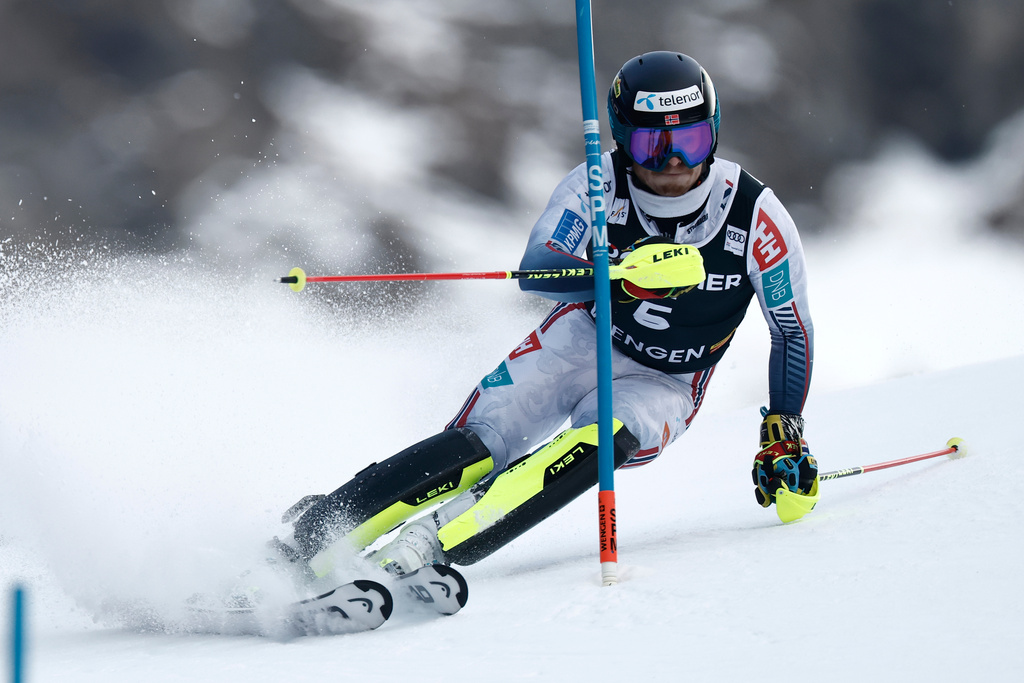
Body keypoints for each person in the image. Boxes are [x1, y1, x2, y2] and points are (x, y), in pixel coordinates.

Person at [279, 51, 818, 580]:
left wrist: (783, 429)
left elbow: (791, 330)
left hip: (668, 380)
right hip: (582, 338)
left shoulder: (756, 216)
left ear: (714, 132)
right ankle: (318, 532)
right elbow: (538, 268)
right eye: (652, 145)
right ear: (622, 139)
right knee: (484, 440)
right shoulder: (597, 183)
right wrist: (618, 279)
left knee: (599, 440)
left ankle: (425, 548)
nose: (673, 161)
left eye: (690, 140)